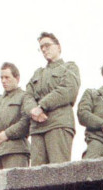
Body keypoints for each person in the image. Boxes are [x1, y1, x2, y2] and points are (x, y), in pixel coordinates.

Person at [23, 32, 80, 165]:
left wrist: (42, 106)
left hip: (58, 124)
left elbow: (68, 90)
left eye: (47, 45)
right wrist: (33, 110)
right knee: (36, 174)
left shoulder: (69, 67)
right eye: (41, 47)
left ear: (58, 47)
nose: (44, 49)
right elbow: (27, 95)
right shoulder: (38, 73)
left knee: (58, 170)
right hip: (37, 126)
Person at [0, 62, 30, 170]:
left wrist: (7, 134)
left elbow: (26, 120)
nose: (3, 81)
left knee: (16, 185)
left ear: (17, 78)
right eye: (1, 78)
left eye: (7, 77)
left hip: (15, 151)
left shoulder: (25, 97)